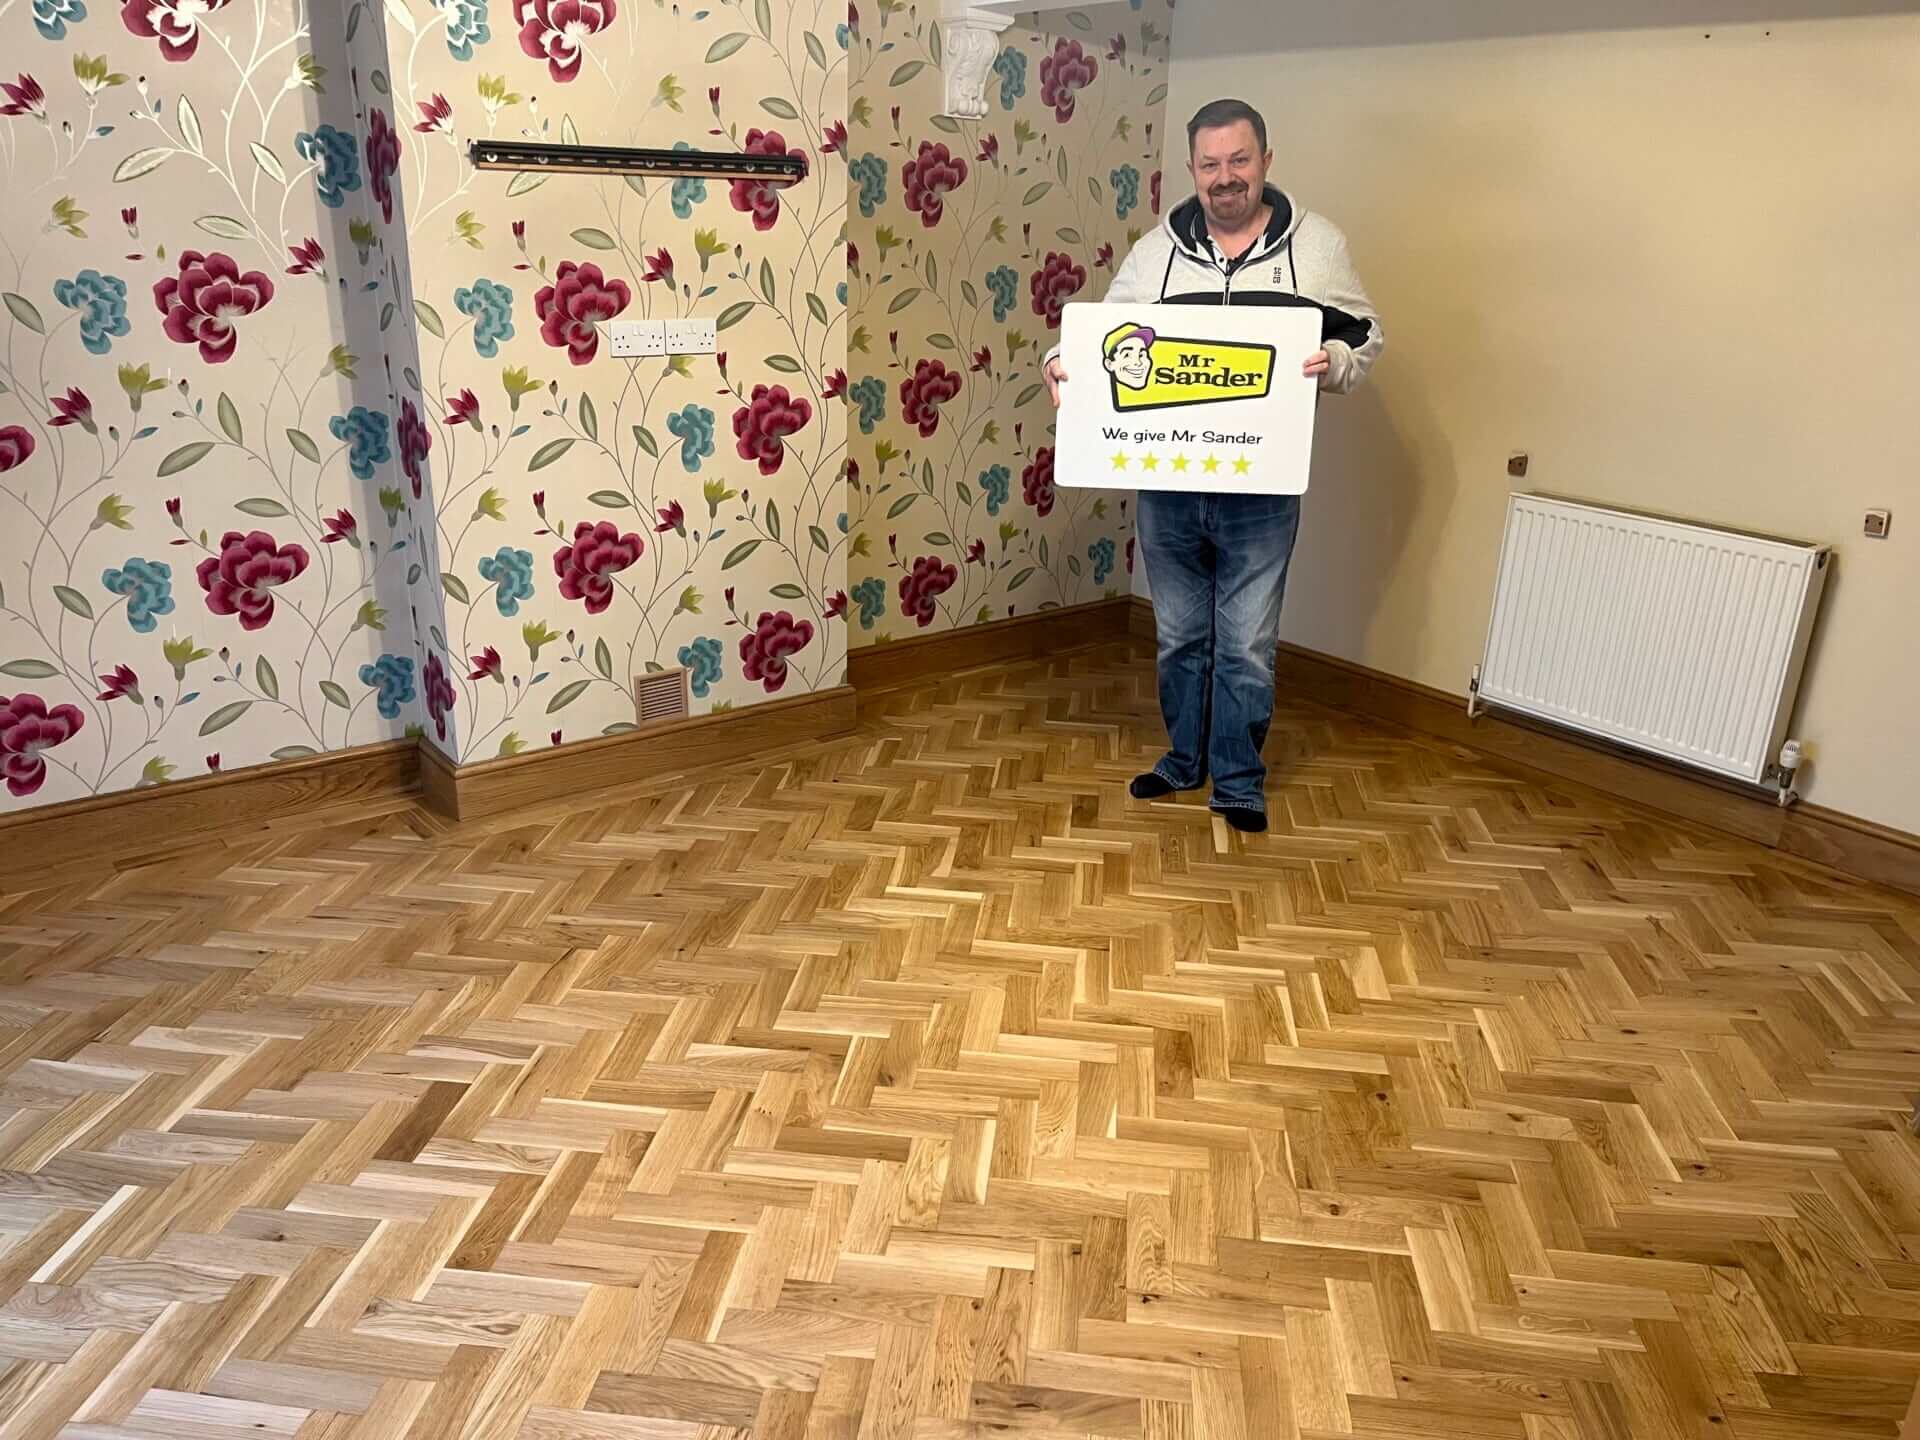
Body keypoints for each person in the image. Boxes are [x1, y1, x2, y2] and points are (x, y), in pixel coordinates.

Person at [1043, 98, 1384, 833]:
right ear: (1192, 170)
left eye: (1239, 160)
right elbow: (1102, 335)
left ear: (1265, 160)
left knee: (1248, 645)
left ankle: (1236, 779)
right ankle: (1182, 761)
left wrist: (1339, 365)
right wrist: (1057, 362)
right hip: (1166, 484)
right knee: (1180, 636)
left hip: (1261, 487)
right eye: (1209, 164)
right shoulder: (1156, 252)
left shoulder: (1317, 247)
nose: (1224, 177)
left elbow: (1365, 339)